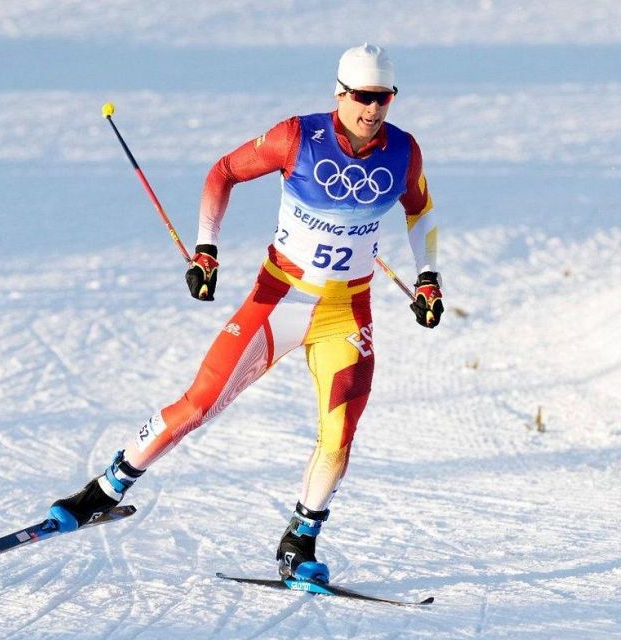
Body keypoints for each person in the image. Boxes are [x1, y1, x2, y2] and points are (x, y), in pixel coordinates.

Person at [49, 43, 443, 583]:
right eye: (362, 97)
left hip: (347, 312)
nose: (372, 110)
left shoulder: (404, 151)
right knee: (200, 404)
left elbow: (419, 209)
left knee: (339, 435)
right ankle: (105, 489)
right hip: (278, 299)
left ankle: (299, 542)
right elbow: (222, 173)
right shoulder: (296, 137)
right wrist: (207, 249)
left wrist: (427, 278)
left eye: (383, 98)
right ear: (340, 92)